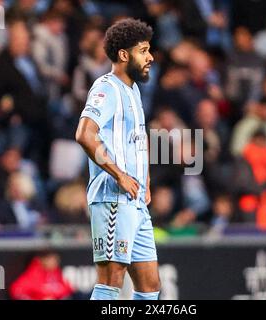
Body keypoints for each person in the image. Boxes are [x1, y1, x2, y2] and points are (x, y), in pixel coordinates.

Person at [75, 18, 160, 300]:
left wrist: (145, 177)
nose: (150, 57)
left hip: (135, 201)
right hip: (113, 198)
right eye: (143, 50)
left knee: (150, 287)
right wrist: (119, 174)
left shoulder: (133, 90)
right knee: (111, 282)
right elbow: (86, 134)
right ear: (124, 55)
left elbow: (139, 138)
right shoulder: (106, 88)